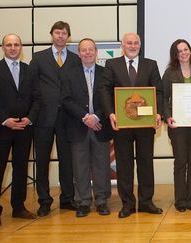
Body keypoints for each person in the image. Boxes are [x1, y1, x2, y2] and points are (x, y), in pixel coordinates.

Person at [100, 32, 164, 218]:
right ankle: (127, 204)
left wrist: (158, 113)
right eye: (129, 43)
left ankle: (146, 202)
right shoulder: (112, 64)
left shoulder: (150, 64)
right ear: (123, 45)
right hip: (122, 124)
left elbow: (158, 91)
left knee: (146, 163)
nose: (133, 46)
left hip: (145, 124)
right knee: (124, 165)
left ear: (140, 45)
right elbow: (104, 90)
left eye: (136, 43)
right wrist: (111, 113)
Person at [0, 33, 39, 227]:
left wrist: (30, 118)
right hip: (1, 129)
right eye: (9, 45)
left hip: (24, 128)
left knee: (21, 168)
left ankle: (18, 207)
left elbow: (37, 98)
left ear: (21, 47)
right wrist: (4, 120)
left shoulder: (29, 70)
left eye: (16, 44)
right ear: (3, 48)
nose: (13, 48)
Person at [29, 21, 81, 217]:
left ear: (69, 37)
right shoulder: (38, 58)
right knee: (42, 161)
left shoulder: (76, 60)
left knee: (67, 161)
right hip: (43, 118)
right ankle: (44, 201)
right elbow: (32, 87)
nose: (60, 36)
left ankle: (67, 198)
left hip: (68, 118)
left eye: (64, 33)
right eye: (57, 33)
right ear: (52, 35)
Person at [61, 38, 112, 217]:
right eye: (84, 50)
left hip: (100, 125)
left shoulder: (105, 72)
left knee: (102, 165)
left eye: (91, 49)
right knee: (80, 165)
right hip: (78, 125)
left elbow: (110, 97)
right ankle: (83, 201)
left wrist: (97, 115)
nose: (88, 53)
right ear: (79, 53)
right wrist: (85, 118)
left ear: (96, 52)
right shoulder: (69, 73)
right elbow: (66, 99)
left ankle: (101, 200)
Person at [161, 39, 191, 212]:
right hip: (177, 125)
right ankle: (180, 201)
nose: (183, 53)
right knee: (180, 162)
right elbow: (163, 98)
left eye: (185, 49)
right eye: (179, 51)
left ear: (190, 50)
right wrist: (168, 117)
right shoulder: (169, 73)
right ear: (175, 54)